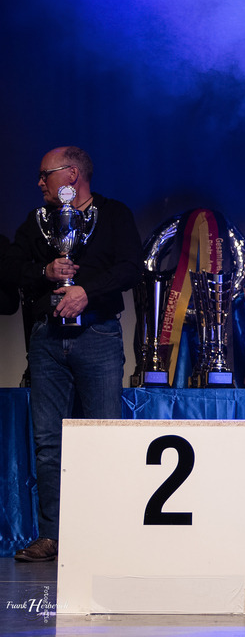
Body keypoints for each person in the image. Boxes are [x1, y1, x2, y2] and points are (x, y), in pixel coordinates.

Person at [1, 147, 142, 562]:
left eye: (45, 174)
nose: (39, 183)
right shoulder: (39, 221)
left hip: (97, 335)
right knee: (49, 443)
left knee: (104, 436)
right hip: (46, 340)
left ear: (73, 174)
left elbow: (131, 267)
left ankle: (106, 531)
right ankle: (53, 535)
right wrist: (44, 273)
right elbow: (9, 267)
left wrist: (86, 291)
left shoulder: (113, 214)